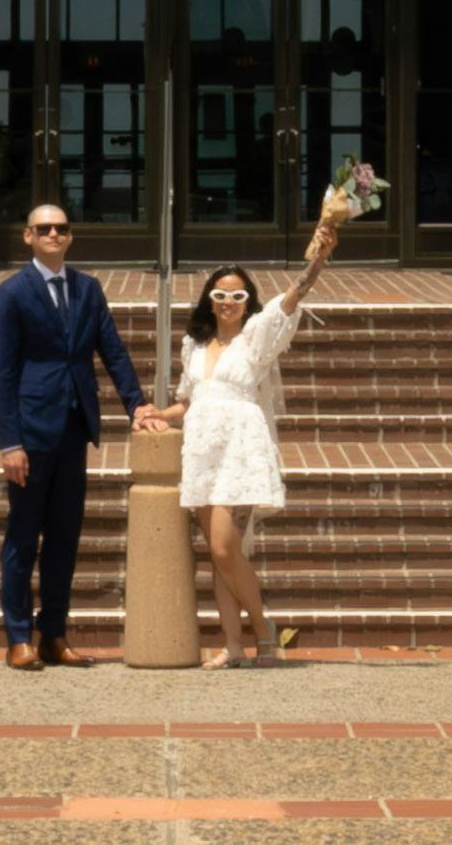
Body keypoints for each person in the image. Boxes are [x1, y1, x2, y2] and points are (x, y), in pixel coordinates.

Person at [172, 186, 347, 666]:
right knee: (216, 552)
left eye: (238, 295)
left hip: (241, 449)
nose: (228, 301)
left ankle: (265, 627)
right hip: (202, 449)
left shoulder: (255, 339)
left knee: (227, 548)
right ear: (209, 300)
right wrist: (151, 415)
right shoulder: (193, 345)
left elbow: (291, 301)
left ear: (248, 302)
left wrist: (318, 261)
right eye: (220, 294)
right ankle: (234, 646)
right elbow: (186, 403)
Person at [0, 192, 145, 670]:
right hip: (30, 435)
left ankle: (54, 633)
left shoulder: (88, 289)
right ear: (28, 237)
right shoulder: (12, 294)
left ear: (70, 236)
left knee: (64, 538)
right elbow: (3, 373)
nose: (54, 234)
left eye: (62, 228)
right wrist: (9, 441)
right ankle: (17, 638)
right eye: (45, 228)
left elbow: (112, 351)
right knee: (23, 536)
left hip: (74, 431)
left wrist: (137, 405)